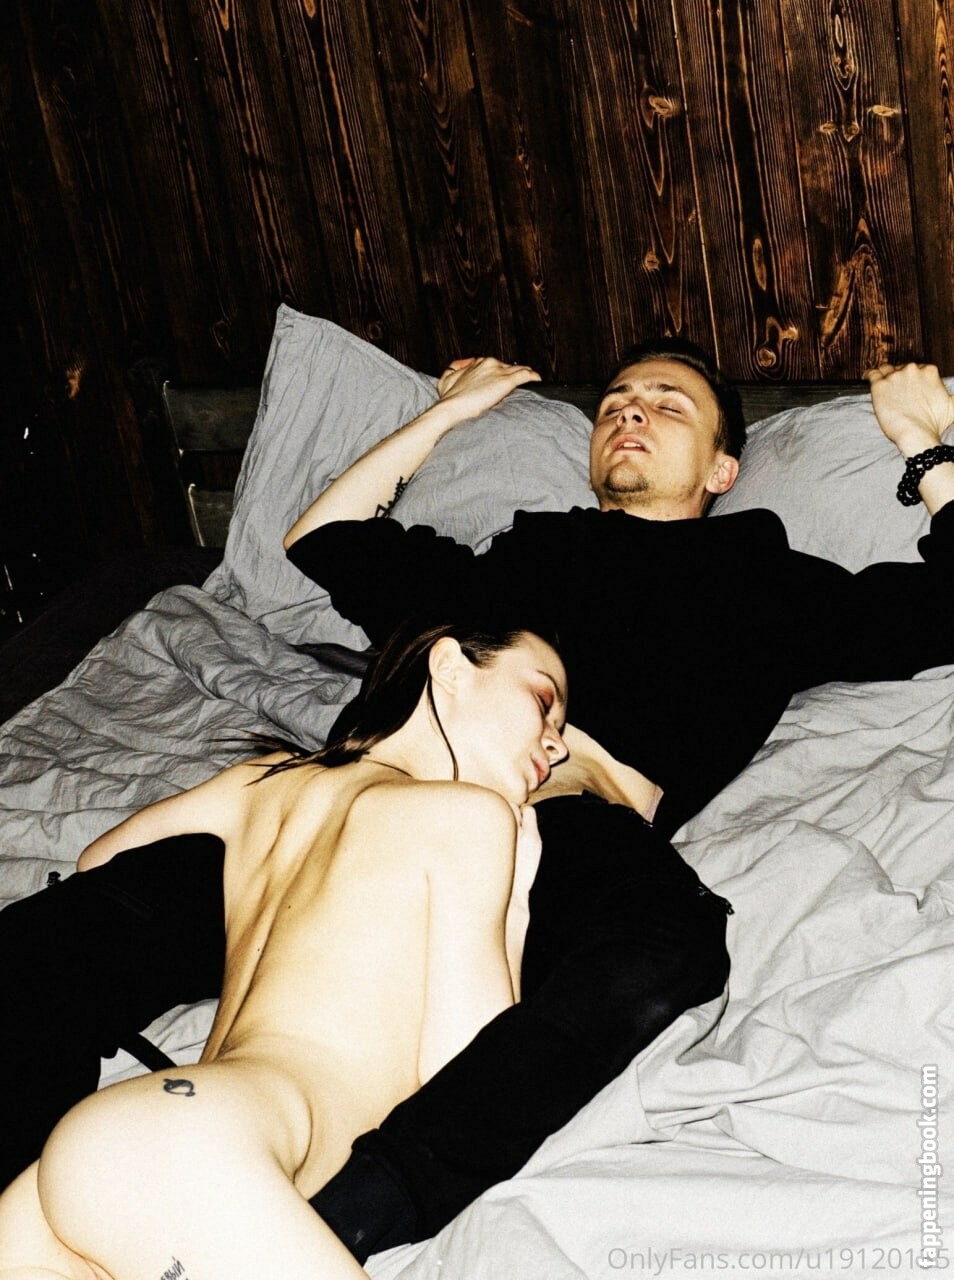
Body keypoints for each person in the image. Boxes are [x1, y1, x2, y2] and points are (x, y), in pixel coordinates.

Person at [2, 339, 952, 1255]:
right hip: (368, 799)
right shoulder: (517, 562)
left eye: (669, 405)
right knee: (73, 930)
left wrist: (925, 444)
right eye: (616, 403)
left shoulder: (762, 580)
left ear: (722, 468)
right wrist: (448, 414)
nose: (630, 414)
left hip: (561, 823)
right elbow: (324, 537)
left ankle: (348, 1214)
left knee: (668, 946)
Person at [0, 618, 571, 1280]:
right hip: (193, 1153)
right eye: (543, 701)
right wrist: (515, 903)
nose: (557, 744)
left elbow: (99, 859)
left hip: (116, 1154)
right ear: (448, 668)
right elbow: (468, 1077)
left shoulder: (263, 778)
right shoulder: (469, 816)